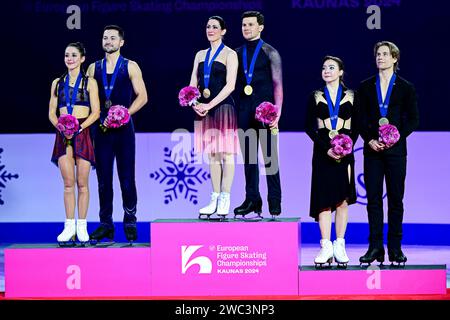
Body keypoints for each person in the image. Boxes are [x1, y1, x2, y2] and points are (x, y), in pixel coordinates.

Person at [358, 41, 419, 266]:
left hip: (396, 153)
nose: (380, 58)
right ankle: (375, 247)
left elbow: (413, 119)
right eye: (378, 54)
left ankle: (395, 248)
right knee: (373, 201)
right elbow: (359, 119)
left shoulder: (406, 87)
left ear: (395, 58)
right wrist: (370, 139)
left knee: (395, 200)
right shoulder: (365, 86)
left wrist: (396, 136)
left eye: (385, 54)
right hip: (372, 151)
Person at [87, 25, 148, 244]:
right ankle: (106, 225)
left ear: (121, 42)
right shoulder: (93, 69)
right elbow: (88, 101)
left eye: (113, 38)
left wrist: (124, 113)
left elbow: (143, 96)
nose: (108, 41)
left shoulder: (130, 66)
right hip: (102, 130)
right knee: (103, 180)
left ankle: (130, 222)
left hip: (124, 130)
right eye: (105, 38)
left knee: (127, 179)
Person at [305, 56, 358, 268]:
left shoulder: (353, 96)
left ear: (341, 72)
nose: (327, 70)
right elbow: (309, 127)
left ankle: (340, 245)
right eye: (324, 67)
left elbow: (358, 126)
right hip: (322, 153)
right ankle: (326, 245)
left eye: (331, 67)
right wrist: (326, 148)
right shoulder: (315, 96)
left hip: (345, 155)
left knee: (342, 200)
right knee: (323, 200)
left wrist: (346, 146)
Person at [49, 42, 100, 246]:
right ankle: (69, 226)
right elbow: (51, 113)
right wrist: (61, 126)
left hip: (82, 132)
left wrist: (79, 128)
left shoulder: (90, 82)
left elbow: (96, 111)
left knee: (82, 184)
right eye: (66, 55)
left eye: (73, 55)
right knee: (68, 184)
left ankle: (82, 227)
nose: (69, 58)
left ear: (82, 59)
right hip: (63, 134)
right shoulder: (57, 83)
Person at [233, 11, 283, 219]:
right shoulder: (236, 53)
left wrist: (277, 113)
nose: (246, 28)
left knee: (270, 159)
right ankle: (252, 199)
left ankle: (274, 201)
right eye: (244, 25)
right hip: (244, 111)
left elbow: (278, 85)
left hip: (266, 113)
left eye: (251, 25)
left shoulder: (271, 52)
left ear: (260, 27)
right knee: (249, 160)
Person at [188, 16, 239, 220]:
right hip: (204, 110)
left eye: (215, 27)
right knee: (212, 155)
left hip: (223, 107)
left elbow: (230, 85)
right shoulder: (200, 54)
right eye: (208, 26)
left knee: (226, 154)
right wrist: (194, 103)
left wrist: (210, 103)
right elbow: (193, 83)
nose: (210, 29)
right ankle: (214, 197)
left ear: (223, 31)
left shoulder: (230, 54)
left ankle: (225, 197)